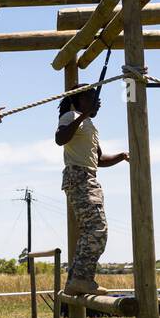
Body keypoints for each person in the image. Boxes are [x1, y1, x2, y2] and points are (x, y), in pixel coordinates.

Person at [54, 86, 128, 296]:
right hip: (80, 177)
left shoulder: (88, 123)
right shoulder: (72, 115)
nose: (98, 101)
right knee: (97, 230)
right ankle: (82, 279)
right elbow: (60, 138)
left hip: (87, 177)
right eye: (92, 97)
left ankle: (75, 281)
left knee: (90, 231)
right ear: (79, 100)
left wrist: (121, 156)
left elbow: (98, 159)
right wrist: (83, 115)